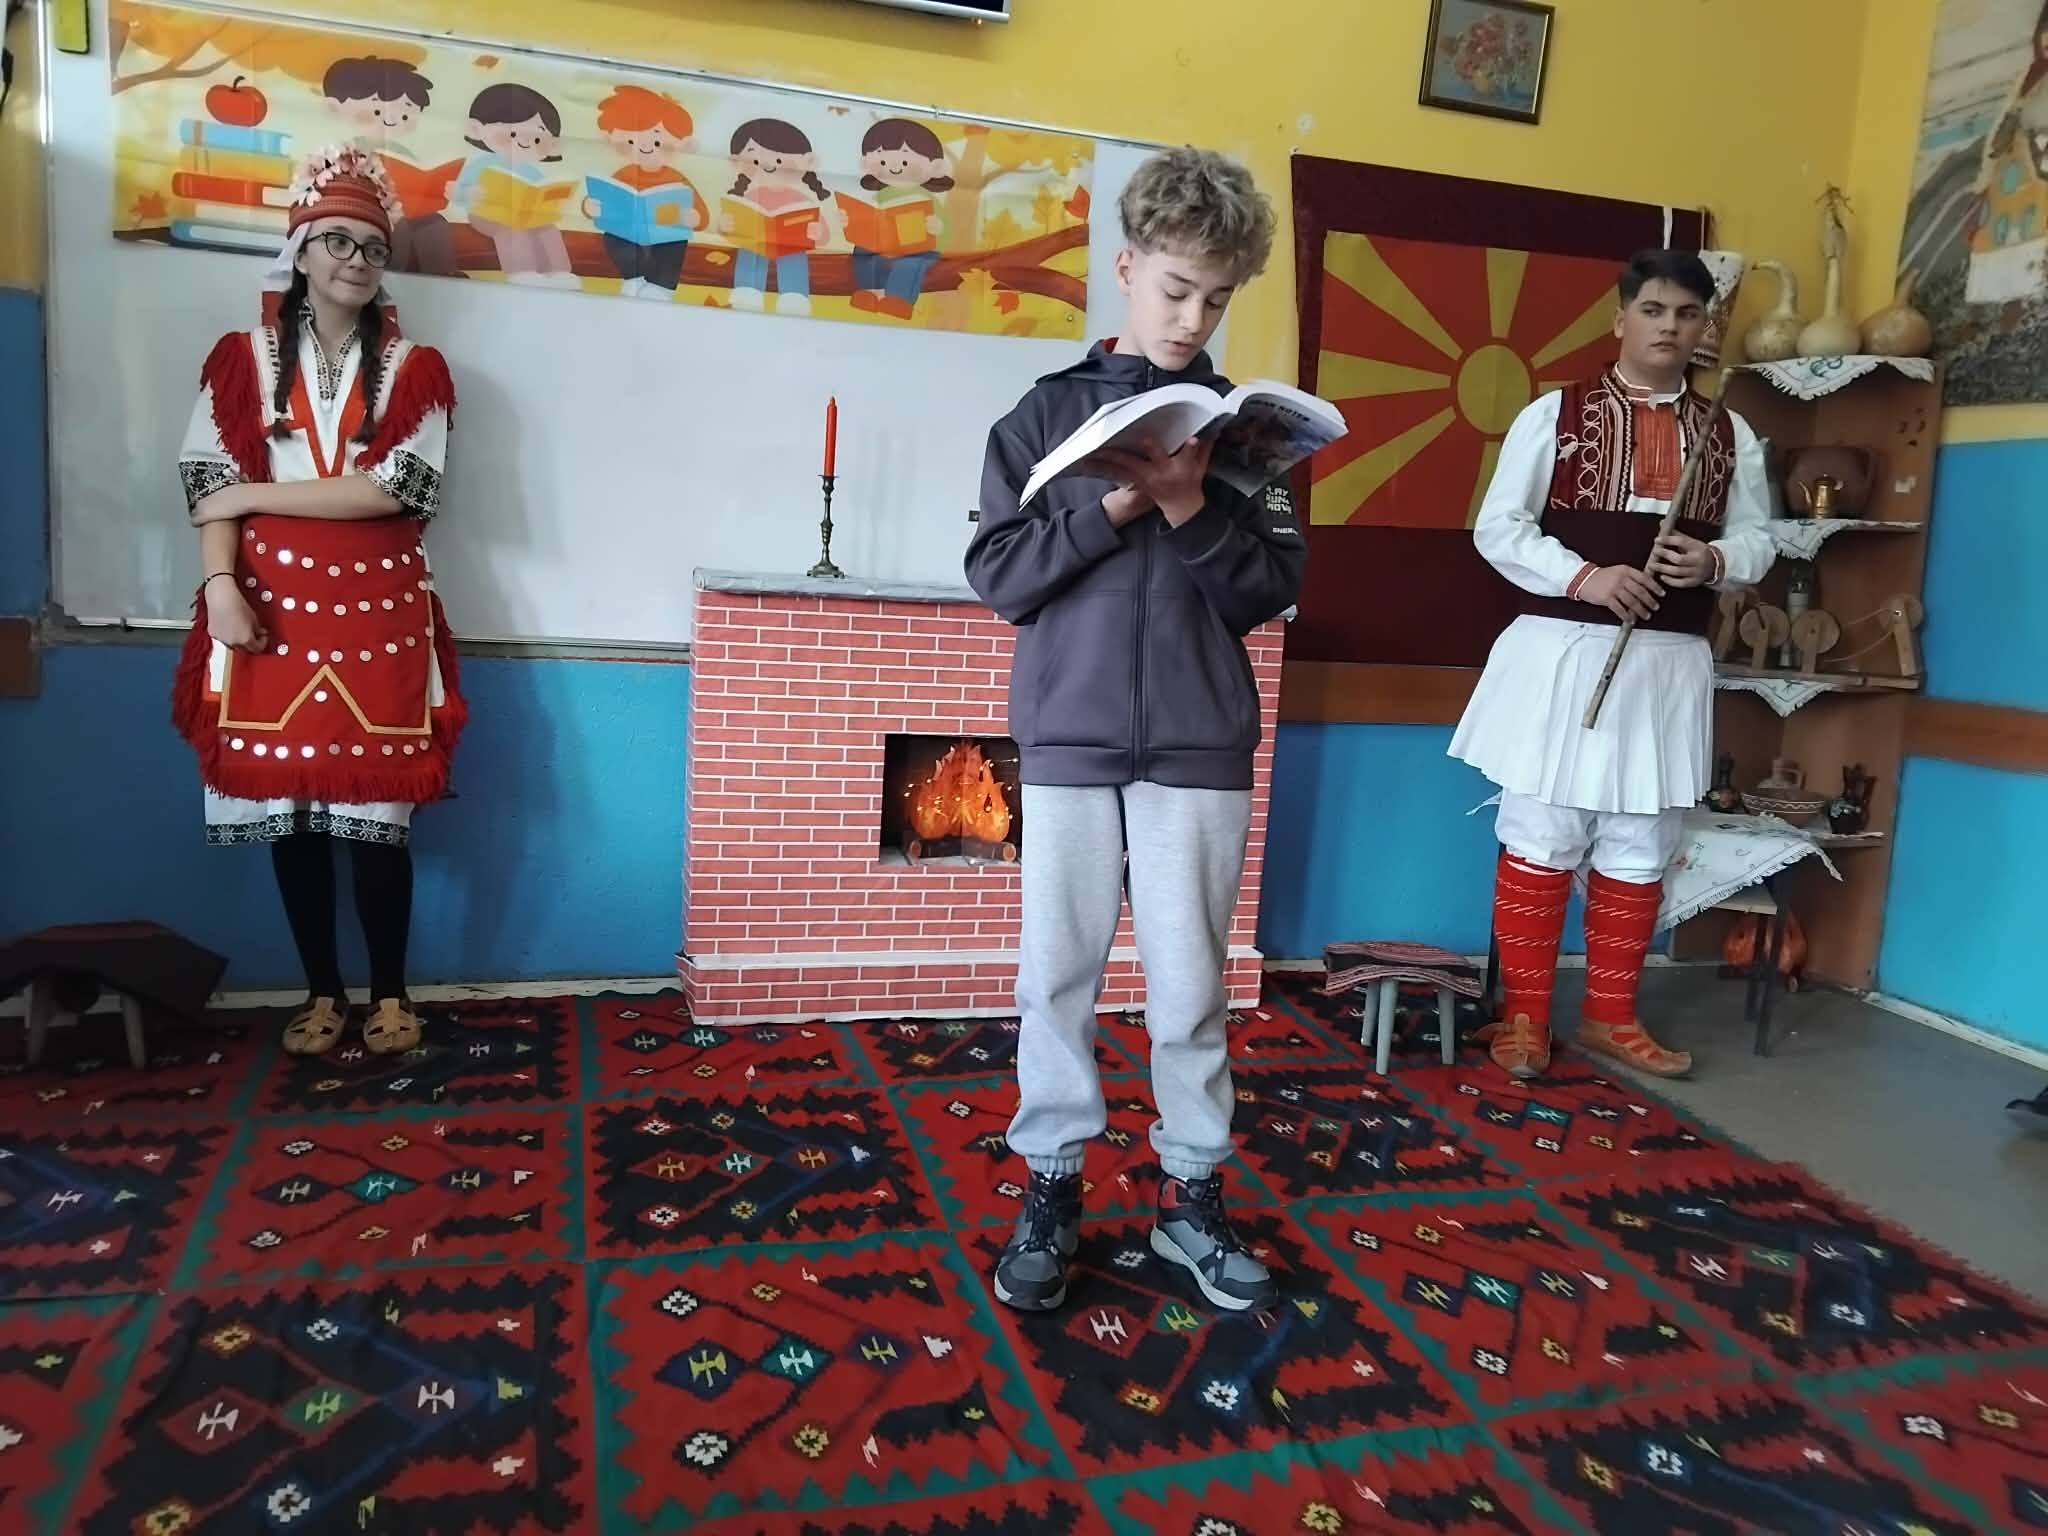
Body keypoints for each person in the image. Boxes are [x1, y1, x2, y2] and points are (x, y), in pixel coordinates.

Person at [964, 147, 1303, 1314]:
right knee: (1055, 975)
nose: (1190, 317)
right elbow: (999, 577)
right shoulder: (1040, 416)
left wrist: (1190, 503)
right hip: (1067, 738)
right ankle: (1051, 1188)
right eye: (1173, 288)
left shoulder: (1249, 439)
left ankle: (1189, 1200)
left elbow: (1267, 591)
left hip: (1199, 747)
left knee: (1189, 986)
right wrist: (1117, 506)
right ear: (1125, 269)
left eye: (1214, 298)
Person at [1449, 249, 1776, 1082]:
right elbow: (1499, 526)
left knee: (1641, 840)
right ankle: (1524, 1018)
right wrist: (1586, 577)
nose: (1670, 327)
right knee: (1544, 831)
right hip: (1564, 655)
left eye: (1688, 314)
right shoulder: (1555, 415)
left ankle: (1610, 1016)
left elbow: (1760, 539)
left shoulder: (1729, 432)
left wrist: (1715, 562)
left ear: (1704, 327)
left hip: (1668, 666)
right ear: (1621, 317)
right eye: (1654, 310)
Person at [172, 145, 465, 1059]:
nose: (355, 259)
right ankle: (323, 991)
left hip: (380, 612)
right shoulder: (239, 360)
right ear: (298, 250)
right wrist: (220, 585)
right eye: (336, 240)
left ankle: (391, 993)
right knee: (291, 817)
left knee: (377, 825)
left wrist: (248, 493)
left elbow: (397, 489)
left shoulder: (417, 367)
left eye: (372, 247)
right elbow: (206, 486)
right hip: (265, 610)